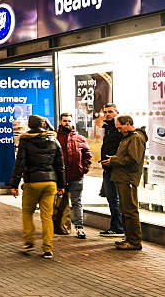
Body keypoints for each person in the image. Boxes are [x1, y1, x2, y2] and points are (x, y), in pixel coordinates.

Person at [9, 115, 66, 259]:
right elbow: (60, 166)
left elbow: (19, 164)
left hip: (32, 182)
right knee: (46, 216)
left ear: (30, 125)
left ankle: (29, 241)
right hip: (50, 182)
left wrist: (14, 184)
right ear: (43, 125)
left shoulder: (25, 141)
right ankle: (48, 248)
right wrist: (61, 184)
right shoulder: (54, 141)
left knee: (27, 212)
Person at [102, 115, 147, 251]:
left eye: (120, 127)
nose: (119, 130)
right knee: (125, 209)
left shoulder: (136, 137)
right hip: (122, 177)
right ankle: (129, 238)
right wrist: (115, 159)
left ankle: (134, 241)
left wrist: (114, 161)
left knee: (130, 210)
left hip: (128, 178)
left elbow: (134, 159)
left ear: (128, 124)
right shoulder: (129, 137)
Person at [56, 112, 92, 238]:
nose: (67, 123)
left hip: (76, 176)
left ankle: (79, 227)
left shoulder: (80, 138)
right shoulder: (55, 137)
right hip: (60, 177)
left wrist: (83, 169)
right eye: (65, 121)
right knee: (59, 202)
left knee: (76, 202)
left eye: (69, 121)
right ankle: (58, 226)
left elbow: (87, 155)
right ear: (60, 122)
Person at [98, 104, 126, 238]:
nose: (108, 114)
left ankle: (118, 227)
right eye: (105, 112)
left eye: (110, 112)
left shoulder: (119, 130)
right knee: (112, 199)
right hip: (108, 168)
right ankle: (116, 227)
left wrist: (114, 161)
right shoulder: (108, 128)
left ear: (117, 112)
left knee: (116, 200)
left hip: (116, 169)